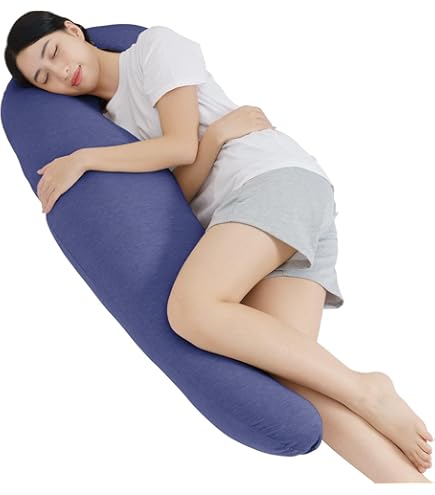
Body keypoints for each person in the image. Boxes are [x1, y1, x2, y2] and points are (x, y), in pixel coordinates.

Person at [5, 10, 433, 483]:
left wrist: (85, 158)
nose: (60, 72)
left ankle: (368, 388)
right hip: (253, 221)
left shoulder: (154, 50)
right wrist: (217, 136)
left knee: (191, 310)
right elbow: (180, 191)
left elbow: (179, 149)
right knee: (297, 379)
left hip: (269, 184)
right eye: (44, 78)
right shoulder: (113, 123)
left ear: (72, 30)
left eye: (54, 52)